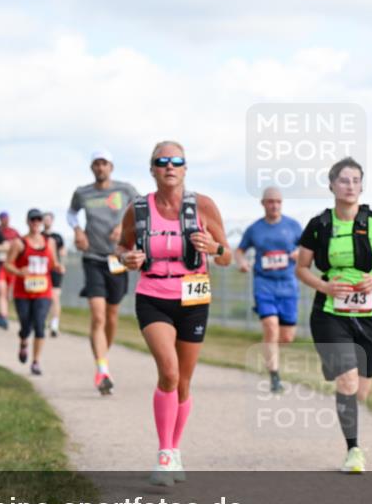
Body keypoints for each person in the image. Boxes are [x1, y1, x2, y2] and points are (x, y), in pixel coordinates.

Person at [119, 141, 232, 486]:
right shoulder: (138, 209)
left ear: (185, 169)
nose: (169, 166)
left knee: (183, 382)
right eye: (162, 161)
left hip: (193, 297)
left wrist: (214, 247)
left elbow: (227, 256)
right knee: (168, 372)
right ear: (152, 170)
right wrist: (126, 258)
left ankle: (175, 450)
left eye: (176, 161)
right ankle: (164, 454)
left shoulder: (203, 206)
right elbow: (121, 247)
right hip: (153, 294)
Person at [296, 157, 372, 474]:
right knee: (347, 379)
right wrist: (324, 286)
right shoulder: (319, 225)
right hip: (330, 313)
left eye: (356, 180)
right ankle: (353, 449)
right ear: (331, 185)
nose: (350, 186)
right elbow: (301, 267)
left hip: (370, 313)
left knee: (361, 390)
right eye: (344, 180)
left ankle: (351, 424)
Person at [68, 150, 139, 394]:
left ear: (111, 167)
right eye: (96, 164)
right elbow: (71, 213)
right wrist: (78, 231)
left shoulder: (125, 189)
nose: (100, 168)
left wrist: (124, 225)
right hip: (93, 258)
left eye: (104, 164)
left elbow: (142, 210)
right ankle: (102, 369)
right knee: (98, 316)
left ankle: (103, 358)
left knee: (111, 315)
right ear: (92, 168)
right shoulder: (83, 192)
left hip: (118, 258)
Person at [234, 186, 304, 393]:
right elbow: (239, 251)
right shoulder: (255, 229)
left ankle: (268, 348)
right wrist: (242, 263)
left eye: (278, 202)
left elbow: (308, 249)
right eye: (270, 201)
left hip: (288, 286)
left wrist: (299, 253)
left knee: (286, 337)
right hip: (264, 285)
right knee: (271, 327)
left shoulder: (293, 226)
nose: (274, 205)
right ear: (263, 203)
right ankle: (274, 377)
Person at [4, 209, 62, 376]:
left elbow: (53, 263)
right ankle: (23, 342)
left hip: (43, 291)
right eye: (33, 220)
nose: (36, 222)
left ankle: (36, 361)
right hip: (22, 292)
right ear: (28, 222)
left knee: (39, 325)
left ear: (42, 222)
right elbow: (7, 264)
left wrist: (58, 267)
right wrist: (18, 272)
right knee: (25, 325)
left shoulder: (50, 242)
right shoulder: (19, 243)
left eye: (39, 220)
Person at [0, 211, 21, 330]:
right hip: (0, 265)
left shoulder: (14, 232)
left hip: (12, 265)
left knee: (9, 294)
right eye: (3, 218)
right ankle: (3, 316)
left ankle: (2, 312)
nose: (5, 220)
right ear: (0, 219)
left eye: (7, 218)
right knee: (1, 290)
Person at [43, 211, 67, 337]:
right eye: (45, 219)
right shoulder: (39, 236)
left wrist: (62, 264)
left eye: (49, 219)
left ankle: (54, 324)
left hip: (55, 270)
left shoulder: (57, 237)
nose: (47, 221)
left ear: (52, 221)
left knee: (55, 296)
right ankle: (41, 320)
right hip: (42, 270)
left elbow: (63, 252)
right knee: (43, 297)